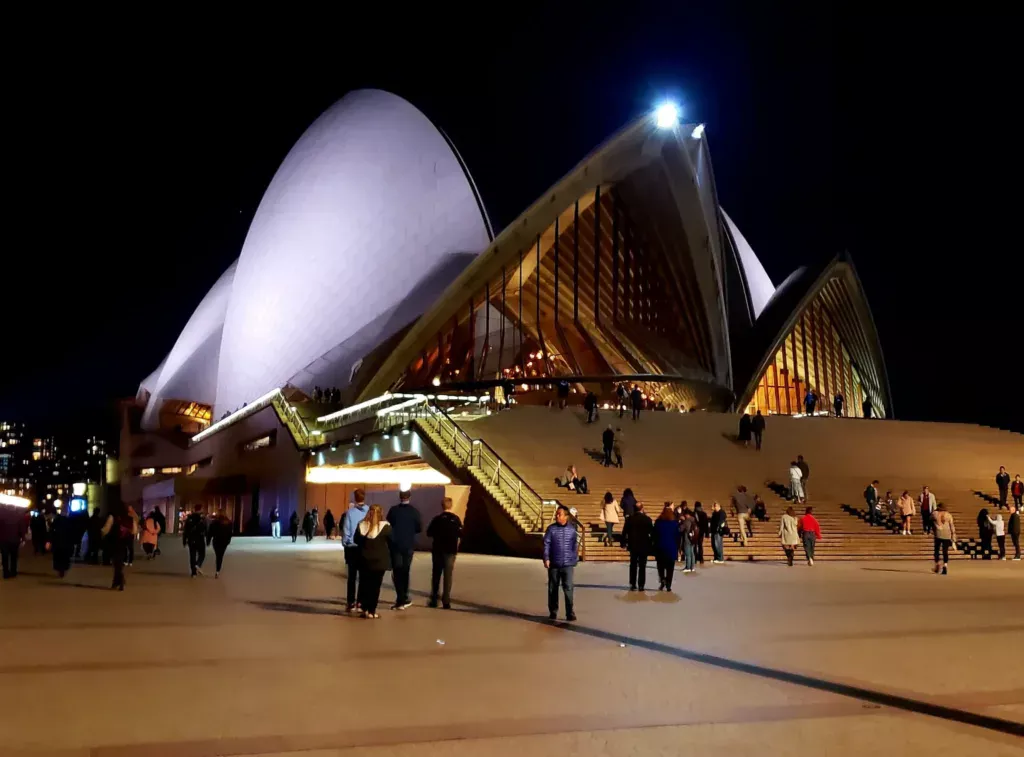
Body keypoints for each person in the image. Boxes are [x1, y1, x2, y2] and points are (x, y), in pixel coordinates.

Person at [387, 489, 422, 610]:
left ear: (400, 497)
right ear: (409, 497)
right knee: (405, 571)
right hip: (408, 545)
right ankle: (405, 596)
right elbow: (419, 528)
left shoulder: (393, 511)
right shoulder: (414, 512)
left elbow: (389, 524)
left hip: (395, 545)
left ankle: (400, 598)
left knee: (397, 571)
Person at [354, 504, 392, 619]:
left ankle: (364, 609)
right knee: (375, 586)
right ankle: (372, 611)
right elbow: (392, 541)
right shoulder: (385, 527)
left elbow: (356, 540)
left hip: (364, 560)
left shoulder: (361, 525)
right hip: (379, 561)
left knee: (365, 585)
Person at [542, 505, 579, 621]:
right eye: (557, 514)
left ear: (566, 517)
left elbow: (574, 546)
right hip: (554, 564)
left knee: (568, 588)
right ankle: (553, 611)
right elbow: (546, 544)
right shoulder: (551, 529)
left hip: (568, 564)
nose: (557, 516)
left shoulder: (572, 530)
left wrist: (574, 558)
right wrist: (546, 558)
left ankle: (570, 612)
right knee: (553, 588)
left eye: (560, 514)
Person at [426, 497, 462, 609]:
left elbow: (429, 533)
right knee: (448, 575)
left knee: (436, 575)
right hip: (450, 550)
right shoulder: (456, 519)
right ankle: (446, 601)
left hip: (438, 550)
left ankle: (434, 599)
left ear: (442, 506)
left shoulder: (437, 519)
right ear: (451, 506)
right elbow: (461, 534)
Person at [341, 490, 369, 611]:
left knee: (352, 577)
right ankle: (361, 602)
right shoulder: (369, 511)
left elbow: (346, 529)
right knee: (364, 576)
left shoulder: (350, 513)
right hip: (365, 547)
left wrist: (345, 542)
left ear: (355, 498)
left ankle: (351, 602)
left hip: (352, 548)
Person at [101, 503, 137, 590]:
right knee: (119, 563)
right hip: (124, 542)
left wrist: (102, 534)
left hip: (114, 542)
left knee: (116, 563)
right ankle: (116, 582)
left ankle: (120, 581)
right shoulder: (130, 518)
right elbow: (134, 531)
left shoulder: (113, 517)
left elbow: (106, 529)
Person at [622, 502, 652, 590]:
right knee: (642, 566)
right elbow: (652, 532)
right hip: (644, 545)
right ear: (642, 509)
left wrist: (623, 543)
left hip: (633, 545)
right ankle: (641, 585)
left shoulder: (629, 519)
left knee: (633, 565)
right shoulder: (647, 519)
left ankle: (632, 583)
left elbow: (624, 532)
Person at [0, 503, 29, 579]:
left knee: (5, 557)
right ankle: (13, 571)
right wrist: (23, 538)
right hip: (14, 540)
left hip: (3, 540)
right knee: (14, 556)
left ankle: (6, 572)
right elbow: (21, 529)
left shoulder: (2, 516)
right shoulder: (18, 517)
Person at [653, 504, 678, 590]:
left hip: (660, 548)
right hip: (671, 548)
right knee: (670, 568)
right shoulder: (675, 524)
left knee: (660, 566)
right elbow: (677, 536)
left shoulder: (658, 523)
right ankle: (668, 585)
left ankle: (662, 579)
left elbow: (654, 535)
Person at [182, 505, 208, 577]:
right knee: (202, 554)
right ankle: (198, 564)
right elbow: (206, 528)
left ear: (194, 509)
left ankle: (193, 573)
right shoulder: (202, 518)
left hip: (191, 539)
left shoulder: (189, 518)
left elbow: (186, 530)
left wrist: (184, 540)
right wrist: (208, 539)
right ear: (201, 509)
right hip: (200, 538)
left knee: (192, 555)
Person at [206, 509, 232, 577]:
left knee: (218, 555)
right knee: (220, 556)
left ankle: (217, 569)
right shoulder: (228, 522)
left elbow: (210, 533)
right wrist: (228, 541)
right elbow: (230, 533)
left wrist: (208, 541)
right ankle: (218, 570)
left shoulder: (214, 522)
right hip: (224, 541)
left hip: (216, 541)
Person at [931, 503, 956, 575]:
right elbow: (952, 525)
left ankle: (937, 563)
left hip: (938, 534)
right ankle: (945, 565)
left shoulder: (935, 513)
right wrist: (953, 535)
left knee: (937, 550)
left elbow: (930, 518)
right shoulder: (949, 515)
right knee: (945, 551)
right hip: (947, 534)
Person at [50, 511, 74, 578]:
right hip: (66, 543)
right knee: (64, 557)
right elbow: (72, 533)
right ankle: (62, 570)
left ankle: (60, 569)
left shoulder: (56, 521)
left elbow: (52, 531)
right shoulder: (69, 521)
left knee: (58, 557)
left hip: (58, 543)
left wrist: (51, 540)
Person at [679, 505, 699, 574]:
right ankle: (692, 567)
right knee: (692, 553)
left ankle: (688, 567)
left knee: (688, 554)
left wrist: (681, 522)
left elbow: (680, 529)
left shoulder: (686, 521)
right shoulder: (693, 520)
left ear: (687, 515)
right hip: (693, 539)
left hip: (687, 539)